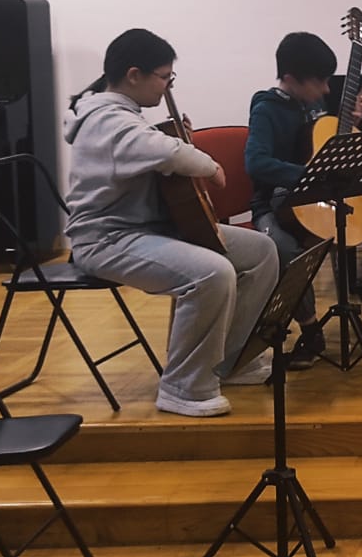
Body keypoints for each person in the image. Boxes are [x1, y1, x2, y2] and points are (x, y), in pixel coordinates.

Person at [63, 28, 279, 417]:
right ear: (134, 75)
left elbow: (155, 152)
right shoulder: (106, 120)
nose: (167, 87)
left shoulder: (124, 117)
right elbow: (164, 152)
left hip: (146, 230)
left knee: (261, 251)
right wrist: (209, 164)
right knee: (212, 273)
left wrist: (182, 140)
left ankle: (231, 360)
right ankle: (183, 387)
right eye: (164, 77)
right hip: (107, 239)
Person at [245, 32, 362, 360]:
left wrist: (349, 124)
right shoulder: (266, 109)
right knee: (282, 249)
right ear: (291, 78)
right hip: (276, 202)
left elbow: (320, 142)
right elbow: (256, 163)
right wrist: (312, 174)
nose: (326, 89)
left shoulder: (313, 104)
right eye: (319, 81)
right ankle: (310, 332)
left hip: (321, 192)